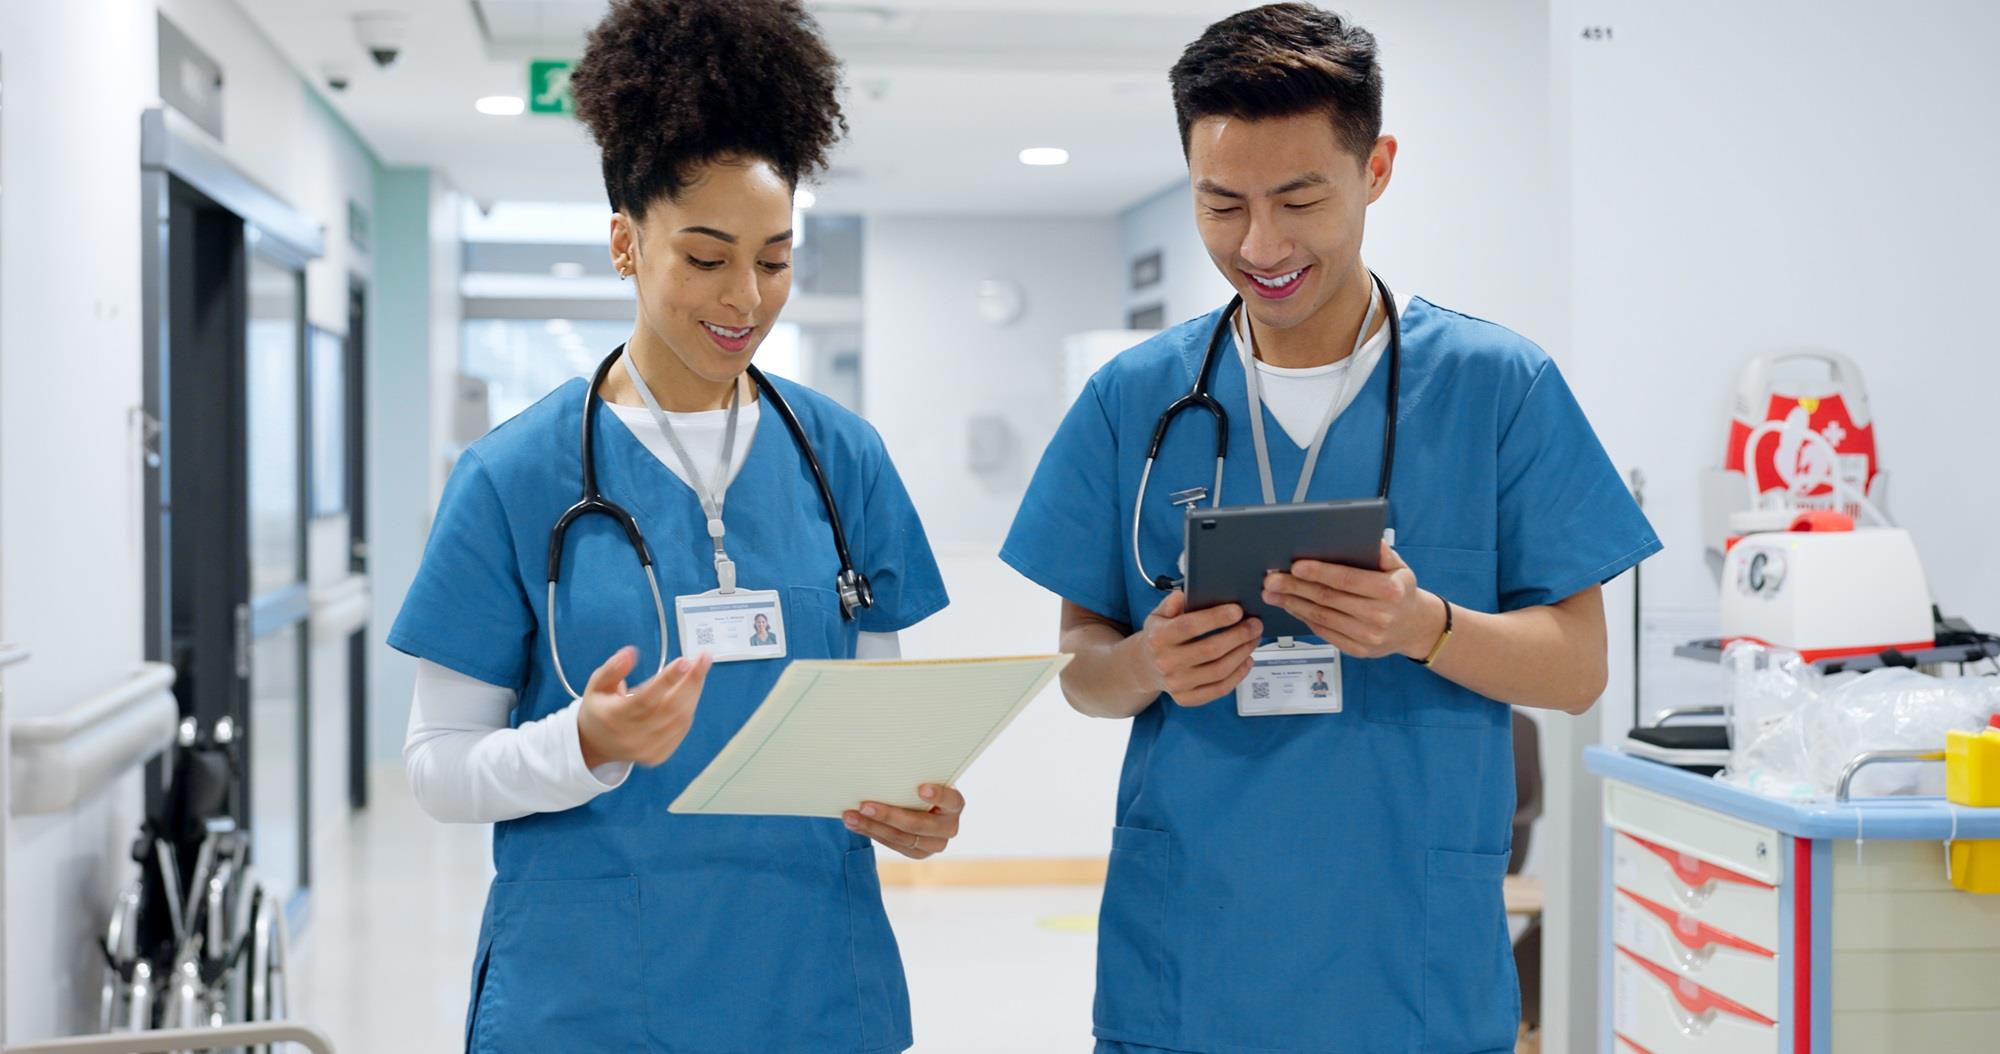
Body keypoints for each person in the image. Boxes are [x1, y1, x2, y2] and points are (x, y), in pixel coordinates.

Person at [999, 5, 1660, 1051]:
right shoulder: (1134, 398)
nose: (1259, 245)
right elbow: (1081, 670)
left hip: (1409, 959)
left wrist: (1423, 626)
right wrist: (1148, 661)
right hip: (1191, 961)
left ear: (1376, 167)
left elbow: (1577, 670)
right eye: (1221, 204)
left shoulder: (1497, 387)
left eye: (1298, 198)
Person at [391, 3, 956, 1049]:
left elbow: (879, 730)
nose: (745, 298)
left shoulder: (845, 462)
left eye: (775, 259)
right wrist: (583, 744)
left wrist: (911, 808)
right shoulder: (514, 476)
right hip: (591, 995)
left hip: (812, 987)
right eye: (704, 258)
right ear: (624, 242)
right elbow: (435, 765)